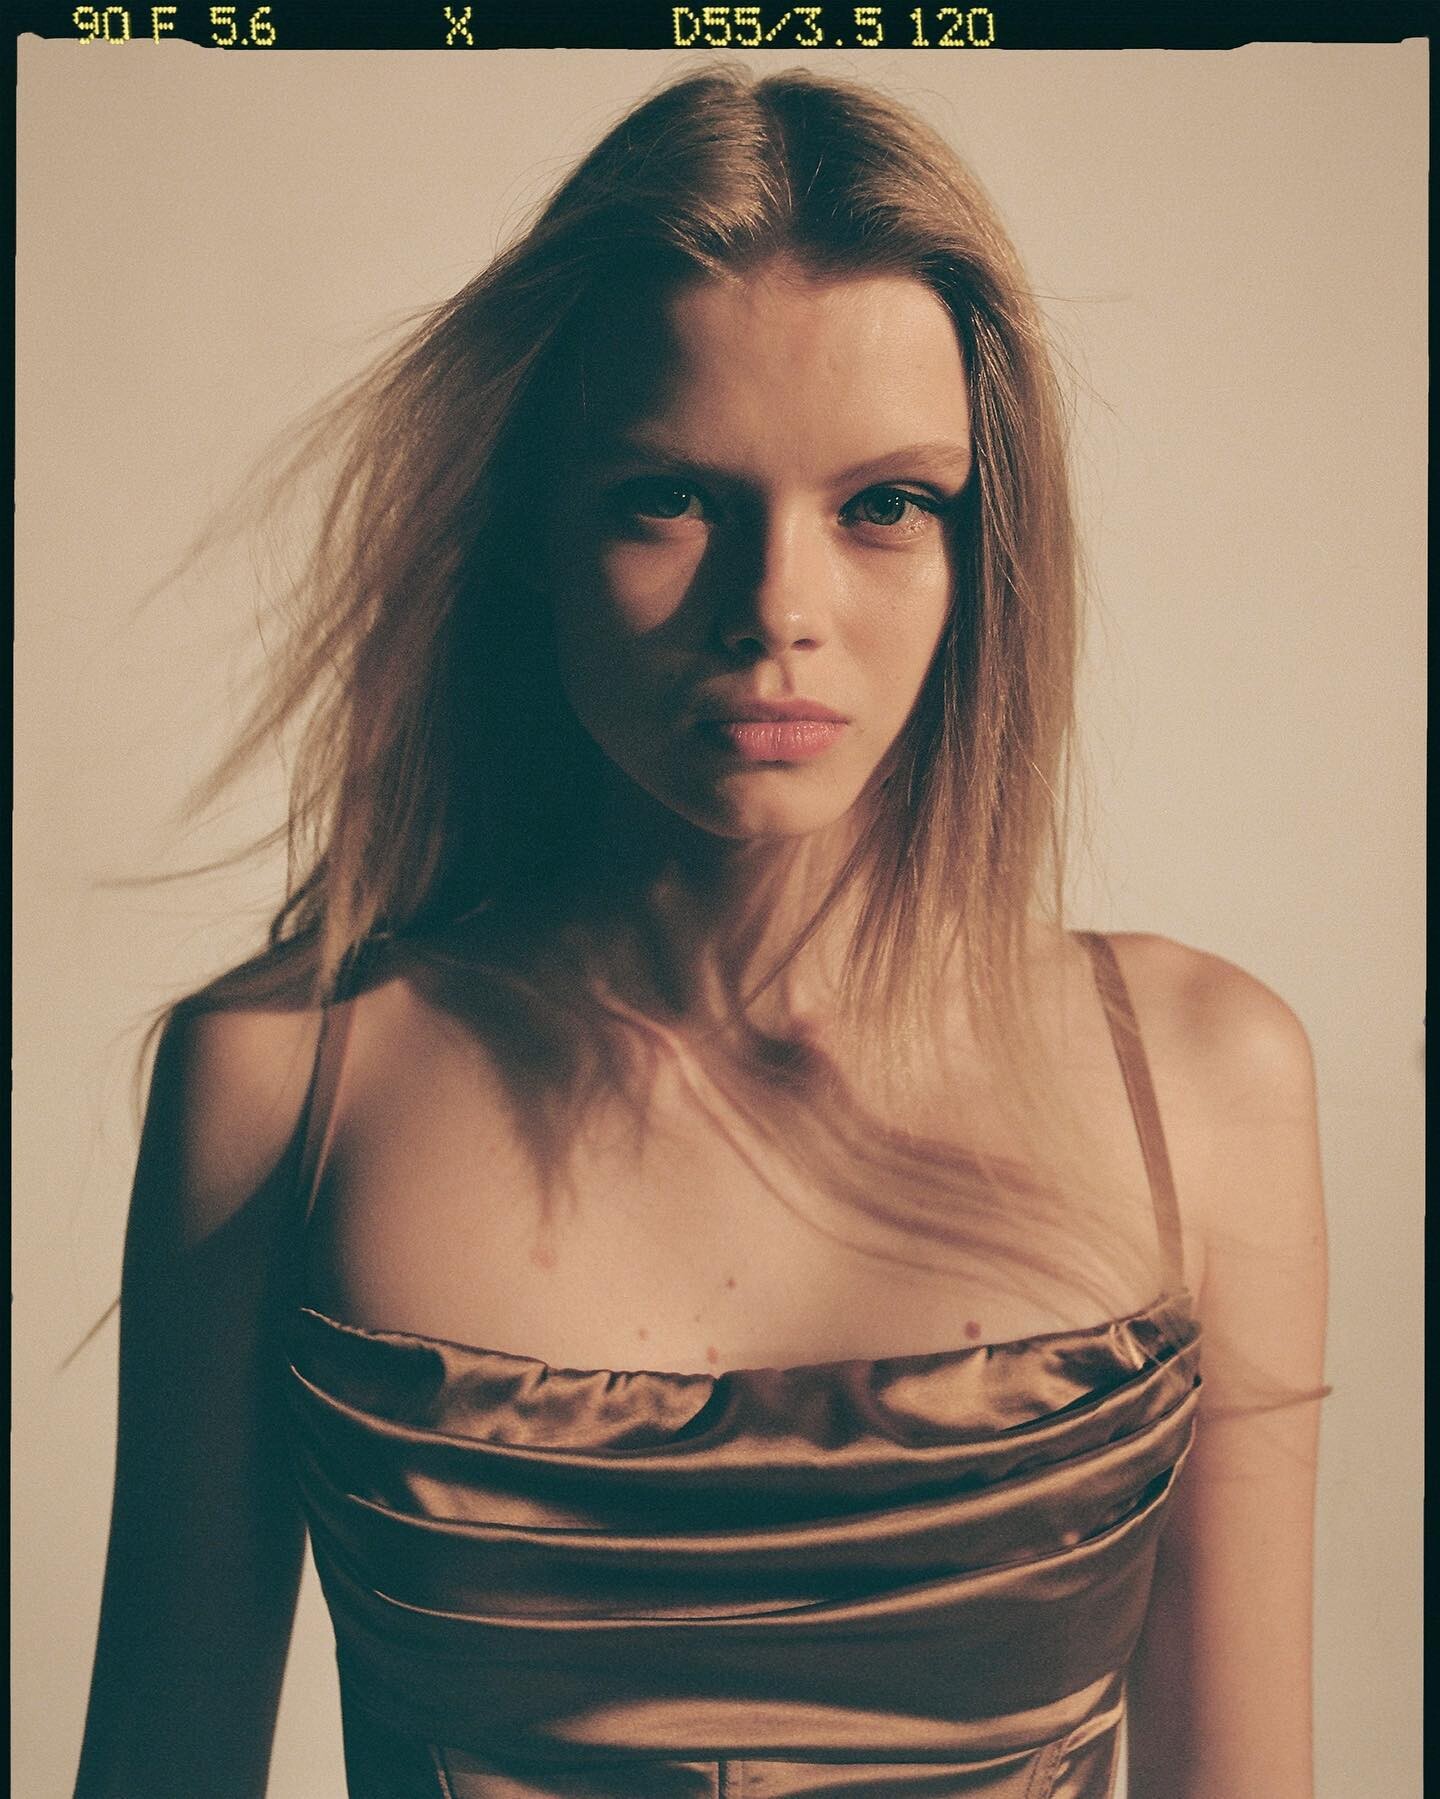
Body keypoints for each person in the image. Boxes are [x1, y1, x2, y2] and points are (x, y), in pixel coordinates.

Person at [73, 65, 1327, 1799]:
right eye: (667, 497)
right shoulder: (282, 1085)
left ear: (984, 551)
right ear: (531, 532)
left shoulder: (1203, 1082)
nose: (776, 612)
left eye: (885, 505)